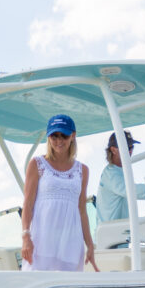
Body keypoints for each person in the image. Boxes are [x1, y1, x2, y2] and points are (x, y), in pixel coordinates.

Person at [20, 114, 98, 271]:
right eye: (54, 136)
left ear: (73, 136)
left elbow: (82, 211)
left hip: (71, 242)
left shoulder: (82, 170)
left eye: (64, 135)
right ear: (48, 137)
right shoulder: (37, 164)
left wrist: (89, 244)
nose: (59, 140)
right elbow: (27, 204)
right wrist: (26, 237)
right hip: (42, 241)